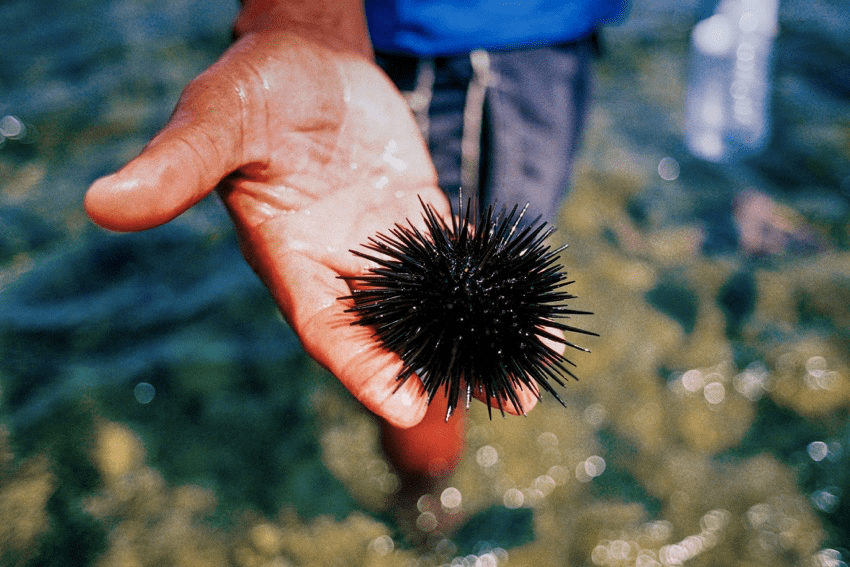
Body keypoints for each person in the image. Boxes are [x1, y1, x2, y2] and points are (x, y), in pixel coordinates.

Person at [84, 0, 626, 521]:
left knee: (452, 324)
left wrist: (299, 20)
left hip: (540, 33)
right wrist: (300, 20)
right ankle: (425, 499)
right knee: (430, 359)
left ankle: (422, 494)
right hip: (458, 42)